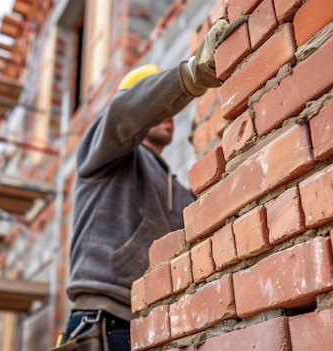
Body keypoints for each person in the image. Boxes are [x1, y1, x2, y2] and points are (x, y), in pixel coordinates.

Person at [52, 18, 228, 351]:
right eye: (153, 99)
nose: (166, 112)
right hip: (104, 322)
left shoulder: (177, 191)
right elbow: (123, 116)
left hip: (157, 327)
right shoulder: (103, 151)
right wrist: (191, 76)